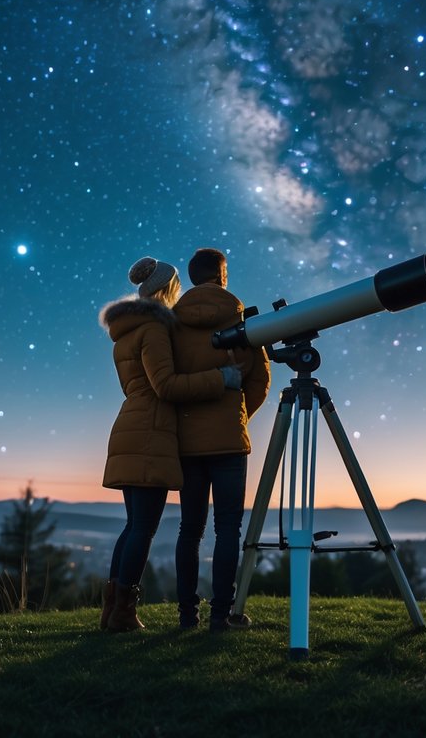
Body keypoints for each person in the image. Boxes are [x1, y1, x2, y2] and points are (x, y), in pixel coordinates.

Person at [98, 256, 242, 633]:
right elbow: (166, 386)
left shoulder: (125, 332)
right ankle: (124, 613)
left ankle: (112, 610)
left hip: (130, 426)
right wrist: (221, 378)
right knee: (143, 528)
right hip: (151, 432)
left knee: (133, 526)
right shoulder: (155, 329)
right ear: (167, 288)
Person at [171, 248, 271, 631]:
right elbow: (260, 382)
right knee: (228, 528)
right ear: (222, 275)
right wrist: (237, 412)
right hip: (229, 440)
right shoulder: (242, 321)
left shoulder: (173, 323)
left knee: (189, 530)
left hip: (187, 441)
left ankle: (186, 616)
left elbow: (169, 377)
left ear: (193, 277)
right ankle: (220, 616)